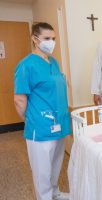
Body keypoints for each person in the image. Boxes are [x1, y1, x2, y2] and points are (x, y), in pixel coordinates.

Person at [14, 22, 70, 200]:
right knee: (42, 172)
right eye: (47, 38)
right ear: (35, 39)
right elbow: (19, 99)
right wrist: (31, 119)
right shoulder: (26, 65)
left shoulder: (53, 62)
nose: (51, 42)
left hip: (59, 124)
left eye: (53, 39)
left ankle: (55, 193)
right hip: (40, 127)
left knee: (55, 166)